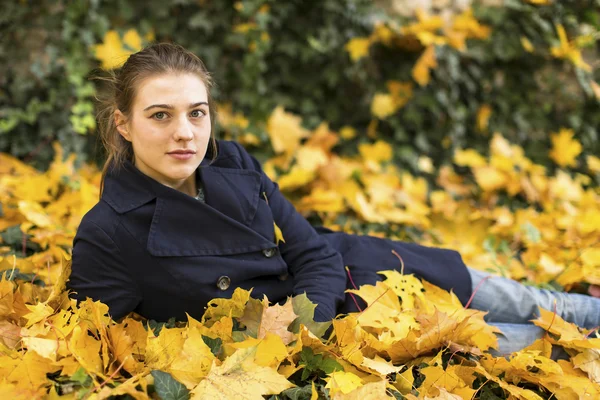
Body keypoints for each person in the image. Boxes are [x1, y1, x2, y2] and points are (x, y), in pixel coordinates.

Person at [67, 42, 600, 357]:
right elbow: (91, 342)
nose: (185, 132)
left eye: (196, 112)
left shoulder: (231, 163)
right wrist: (308, 337)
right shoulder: (108, 233)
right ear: (124, 124)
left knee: (550, 306)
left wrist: (307, 316)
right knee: (542, 342)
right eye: (161, 115)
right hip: (367, 333)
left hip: (378, 269)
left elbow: (313, 250)